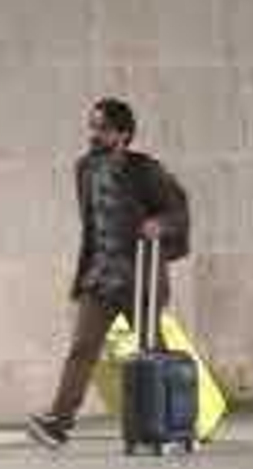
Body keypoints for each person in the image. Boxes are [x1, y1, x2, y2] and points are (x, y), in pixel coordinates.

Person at [27, 99, 190, 449]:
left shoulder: (146, 170)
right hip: (100, 277)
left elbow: (178, 209)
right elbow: (93, 224)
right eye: (92, 126)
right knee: (82, 348)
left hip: (138, 277)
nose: (94, 134)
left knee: (153, 351)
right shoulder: (83, 169)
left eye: (102, 128)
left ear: (123, 134)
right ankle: (59, 421)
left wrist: (158, 223)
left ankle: (179, 420)